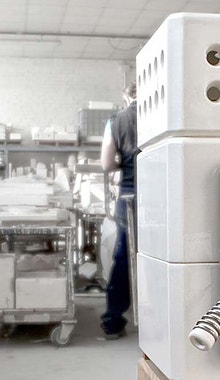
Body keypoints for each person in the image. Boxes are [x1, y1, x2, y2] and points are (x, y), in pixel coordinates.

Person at [99, 82, 138, 339]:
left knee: (124, 258)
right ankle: (162, 318)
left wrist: (121, 164)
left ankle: (113, 321)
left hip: (130, 195)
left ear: (127, 96)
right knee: (163, 257)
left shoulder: (116, 121)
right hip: (164, 195)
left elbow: (106, 163)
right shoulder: (165, 111)